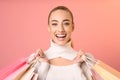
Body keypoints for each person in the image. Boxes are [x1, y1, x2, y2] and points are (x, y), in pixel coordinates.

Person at [28, 6, 96, 80]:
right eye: (54, 24)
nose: (60, 29)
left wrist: (76, 66)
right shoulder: (36, 61)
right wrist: (44, 65)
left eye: (66, 23)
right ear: (49, 27)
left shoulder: (85, 61)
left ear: (73, 27)